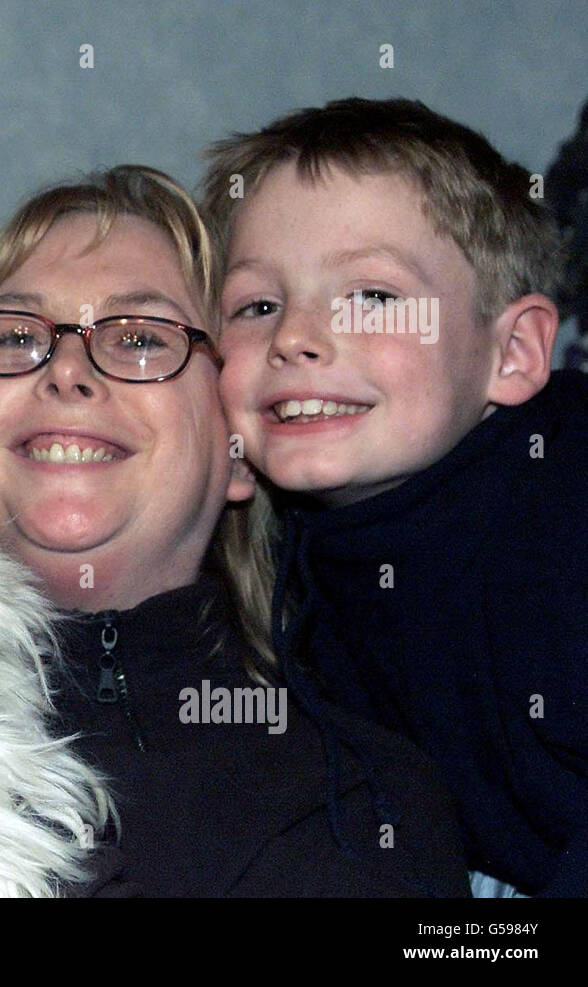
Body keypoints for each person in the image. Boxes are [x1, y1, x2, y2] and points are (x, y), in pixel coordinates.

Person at [0, 165, 470, 896]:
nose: (67, 370)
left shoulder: (362, 796)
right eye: (13, 336)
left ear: (237, 444)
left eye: (140, 337)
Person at [202, 97, 588, 896]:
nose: (296, 336)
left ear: (511, 353)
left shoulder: (562, 510)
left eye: (372, 296)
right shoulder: (273, 562)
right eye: (257, 305)